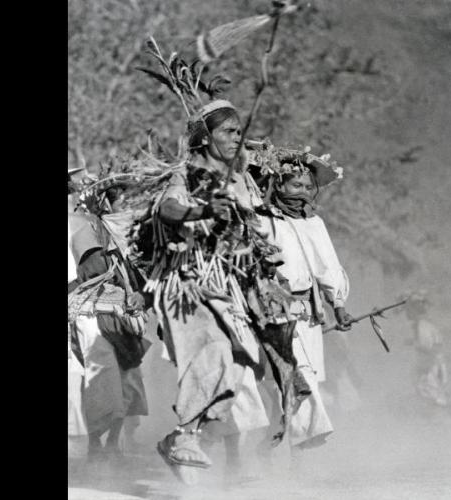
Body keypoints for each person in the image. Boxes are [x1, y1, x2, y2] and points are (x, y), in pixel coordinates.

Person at [149, 99, 271, 481]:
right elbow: (166, 210)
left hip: (228, 285)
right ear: (205, 137)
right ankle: (184, 436)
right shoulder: (186, 175)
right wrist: (201, 211)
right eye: (228, 131)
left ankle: (186, 438)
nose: (238, 138)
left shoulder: (239, 180)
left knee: (244, 362)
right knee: (216, 353)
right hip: (188, 284)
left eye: (240, 131)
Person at [256, 157, 354, 458]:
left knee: (296, 381)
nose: (301, 191)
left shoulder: (315, 224)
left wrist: (337, 304)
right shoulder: (264, 220)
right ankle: (311, 431)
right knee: (295, 377)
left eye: (308, 186)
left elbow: (328, 266)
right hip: (273, 312)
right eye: (295, 184)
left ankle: (272, 453)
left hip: (308, 314)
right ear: (279, 185)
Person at [68, 173, 151, 464]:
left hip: (120, 316)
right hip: (91, 315)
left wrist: (140, 295)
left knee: (127, 379)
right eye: (122, 201)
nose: (129, 207)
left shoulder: (129, 234)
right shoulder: (84, 228)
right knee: (102, 379)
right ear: (105, 203)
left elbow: (141, 279)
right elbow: (82, 274)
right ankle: (94, 445)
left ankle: (114, 443)